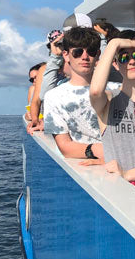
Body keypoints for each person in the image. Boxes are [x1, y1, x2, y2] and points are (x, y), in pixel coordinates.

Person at [82, 30, 135, 204]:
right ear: (115, 64)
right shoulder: (108, 100)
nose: (131, 61)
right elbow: (95, 90)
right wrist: (114, 43)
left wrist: (127, 175)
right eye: (123, 57)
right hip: (119, 196)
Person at [42, 27, 106, 160]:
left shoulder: (117, 89)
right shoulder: (53, 97)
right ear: (66, 55)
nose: (85, 57)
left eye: (91, 51)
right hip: (89, 167)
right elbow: (65, 147)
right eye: (78, 52)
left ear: (98, 54)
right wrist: (99, 151)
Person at [28, 29, 66, 134]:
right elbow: (36, 100)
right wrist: (35, 120)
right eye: (56, 44)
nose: (60, 48)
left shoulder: (74, 65)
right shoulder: (44, 69)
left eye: (62, 44)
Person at [25, 62, 45, 127]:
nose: (34, 80)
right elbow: (29, 112)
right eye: (31, 79)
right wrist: (27, 116)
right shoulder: (32, 89)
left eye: (36, 77)